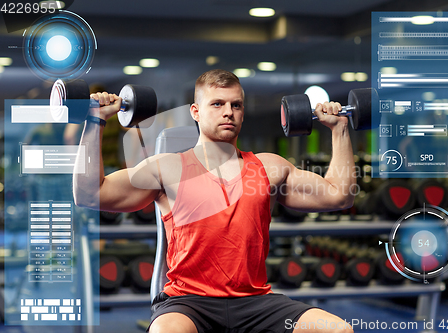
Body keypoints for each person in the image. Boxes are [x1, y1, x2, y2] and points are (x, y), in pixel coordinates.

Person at [74, 69, 355, 333]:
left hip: (254, 302)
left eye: (236, 105)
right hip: (189, 302)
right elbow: (89, 194)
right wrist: (95, 121)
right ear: (196, 112)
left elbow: (339, 195)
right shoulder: (167, 168)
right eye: (217, 104)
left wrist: (339, 129)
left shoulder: (269, 168)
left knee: (339, 329)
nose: (228, 113)